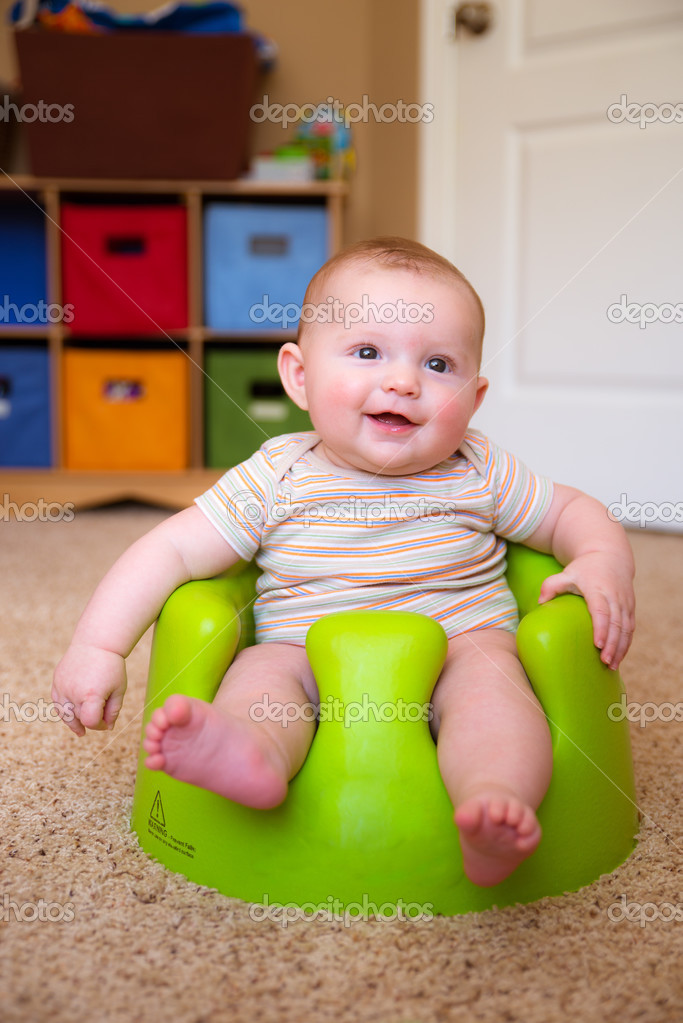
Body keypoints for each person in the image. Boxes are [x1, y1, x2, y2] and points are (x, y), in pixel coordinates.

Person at [52, 237, 635, 888]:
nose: (402, 381)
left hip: (461, 643)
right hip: (304, 651)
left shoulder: (480, 468)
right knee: (259, 676)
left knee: (495, 694)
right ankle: (251, 757)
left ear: (473, 397)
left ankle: (494, 803)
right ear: (299, 376)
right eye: (366, 352)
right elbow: (171, 548)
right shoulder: (278, 474)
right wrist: (100, 645)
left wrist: (601, 558)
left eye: (438, 364)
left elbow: (569, 510)